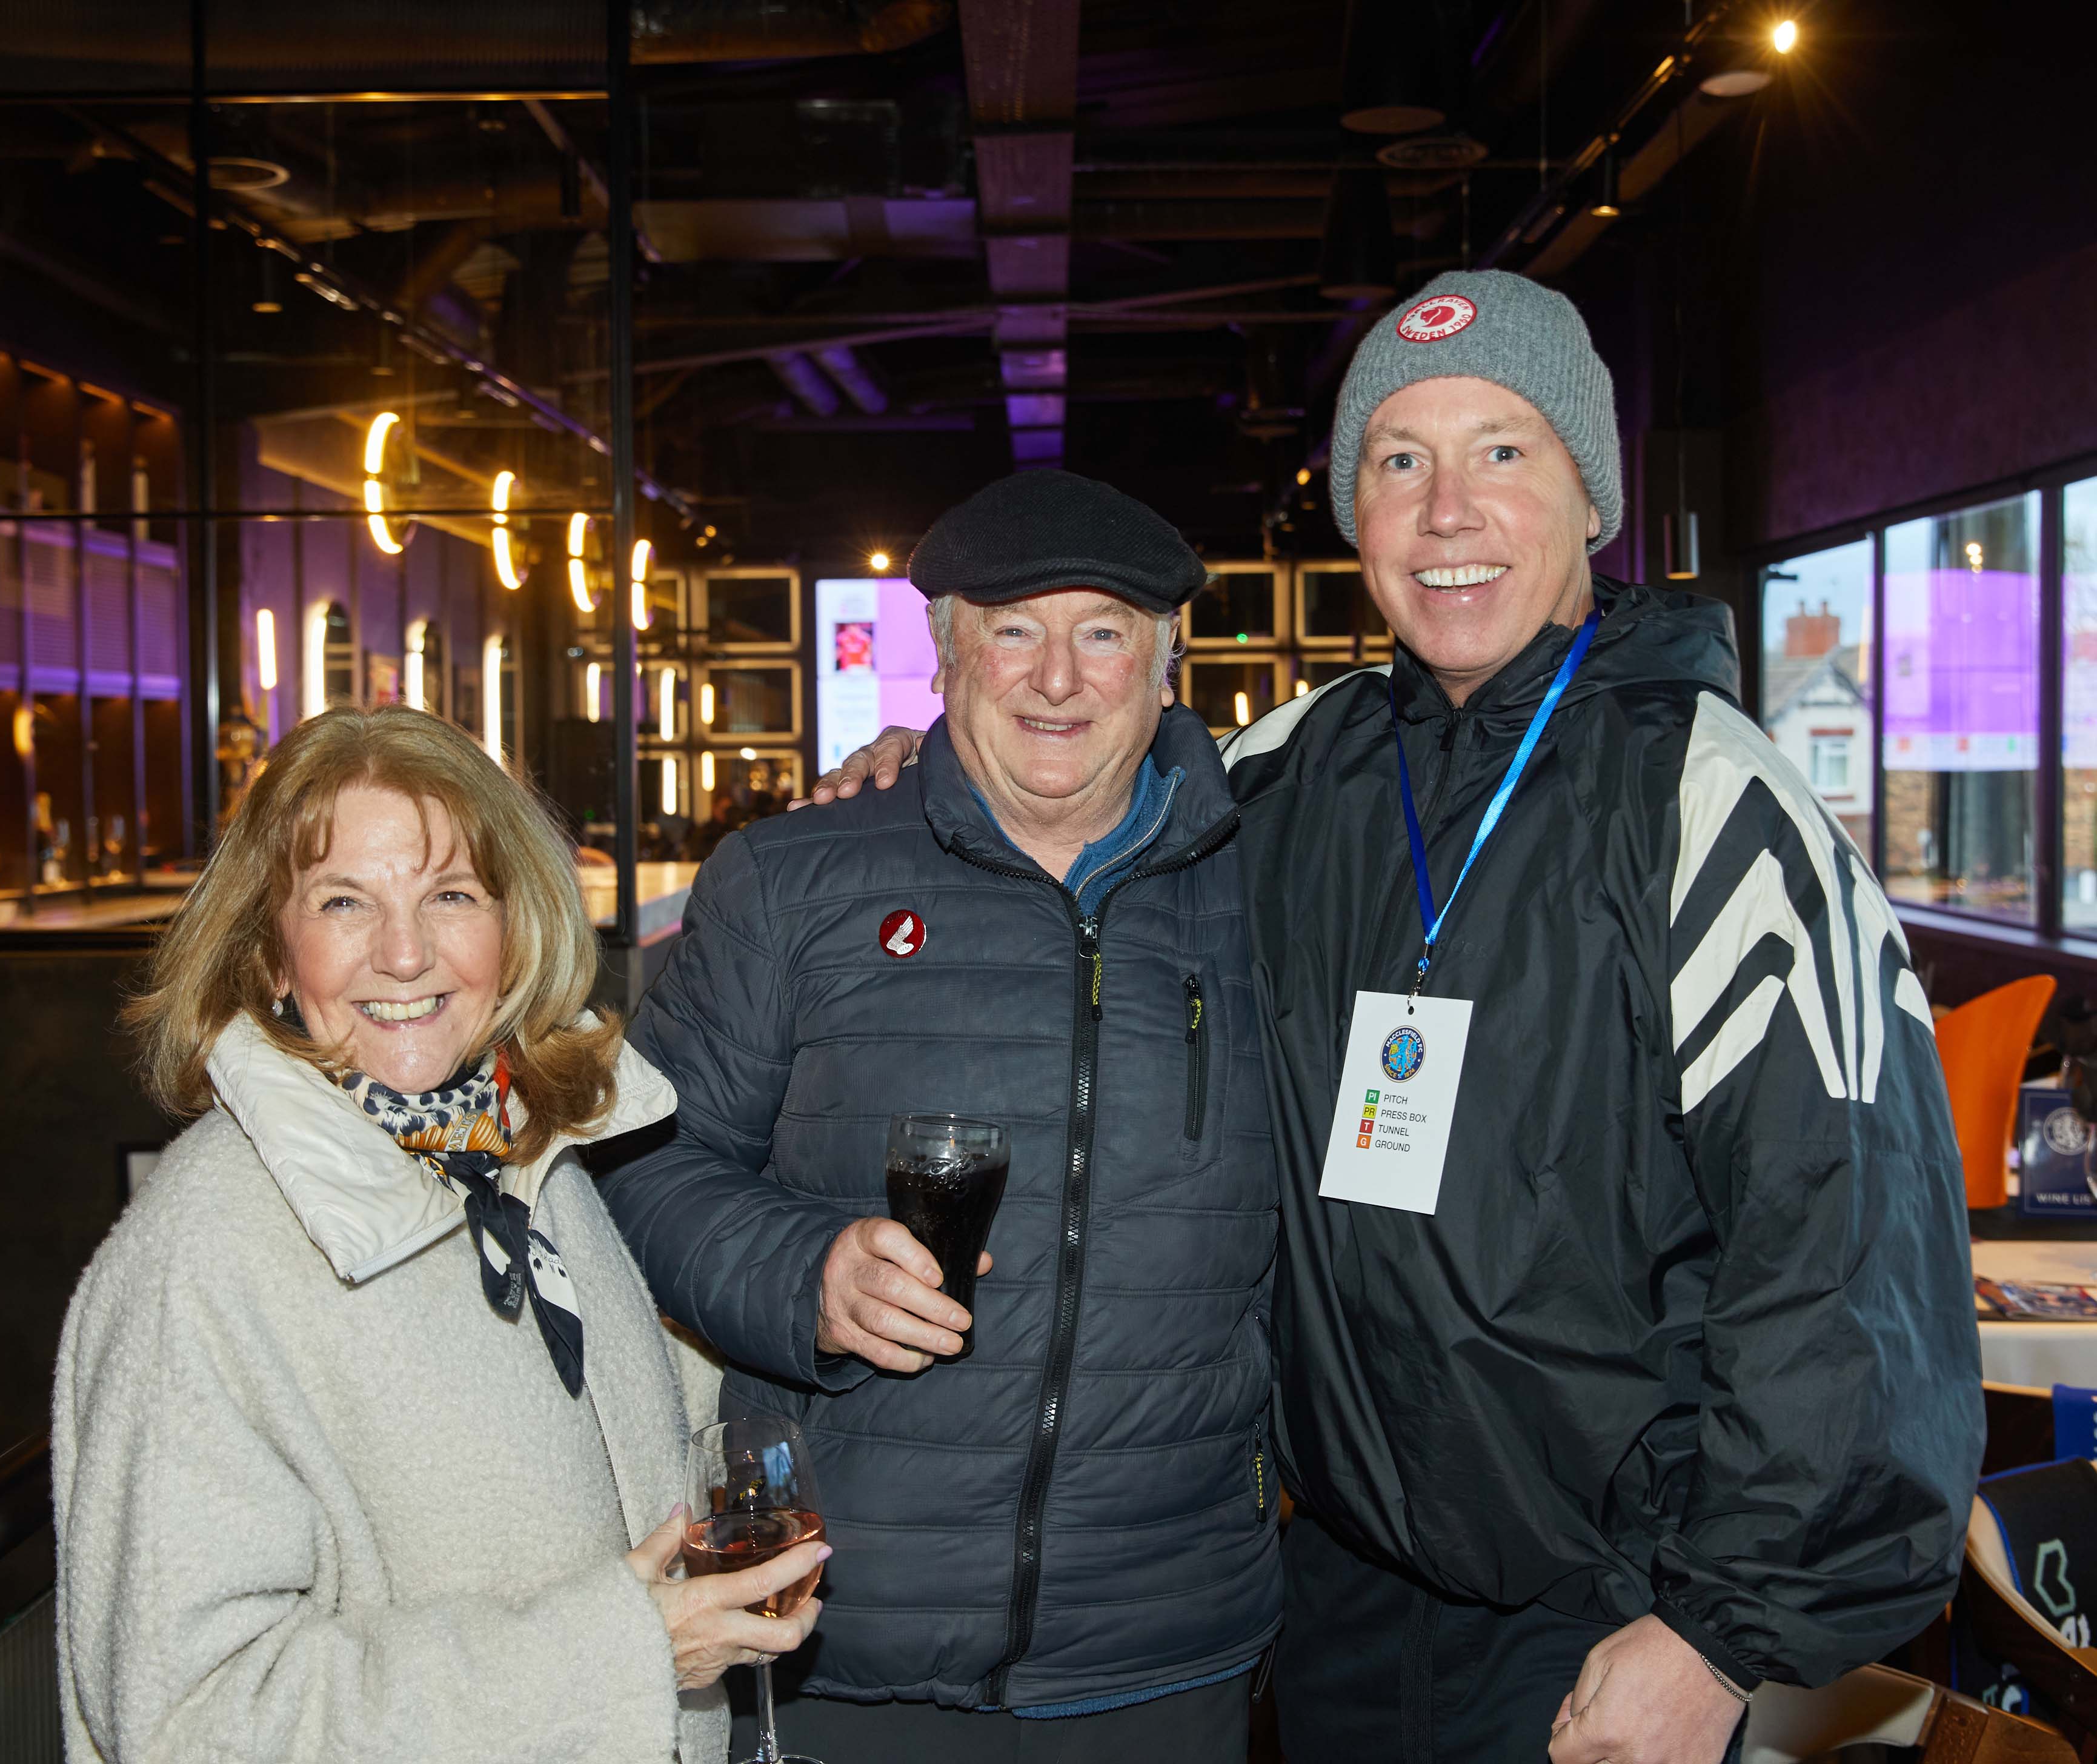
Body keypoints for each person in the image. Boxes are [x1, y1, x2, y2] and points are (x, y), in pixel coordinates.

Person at [803, 271, 1981, 1763]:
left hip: (1612, 1615)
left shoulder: (1713, 801)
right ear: (1355, 514)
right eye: (1399, 460)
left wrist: (1717, 1632)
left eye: (1501, 451)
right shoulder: (1286, 775)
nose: (1445, 511)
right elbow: (1070, 810)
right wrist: (927, 774)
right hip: (1337, 1600)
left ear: (1590, 497)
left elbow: (1844, 1253)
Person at [604, 471, 1281, 1762]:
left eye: (1102, 632)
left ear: (1167, 661)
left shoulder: (1274, 886)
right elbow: (643, 1161)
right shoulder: (792, 879)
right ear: (945, 653)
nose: (1056, 679)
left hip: (1165, 1640)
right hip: (845, 1638)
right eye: (1013, 629)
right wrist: (803, 1277)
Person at [52, 705, 824, 1764]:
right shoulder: (202, 1256)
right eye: (344, 902)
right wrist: (615, 1658)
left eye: (450, 895)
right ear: (270, 954)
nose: (406, 953)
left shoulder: (527, 1162)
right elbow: (187, 1721)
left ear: (515, 930)